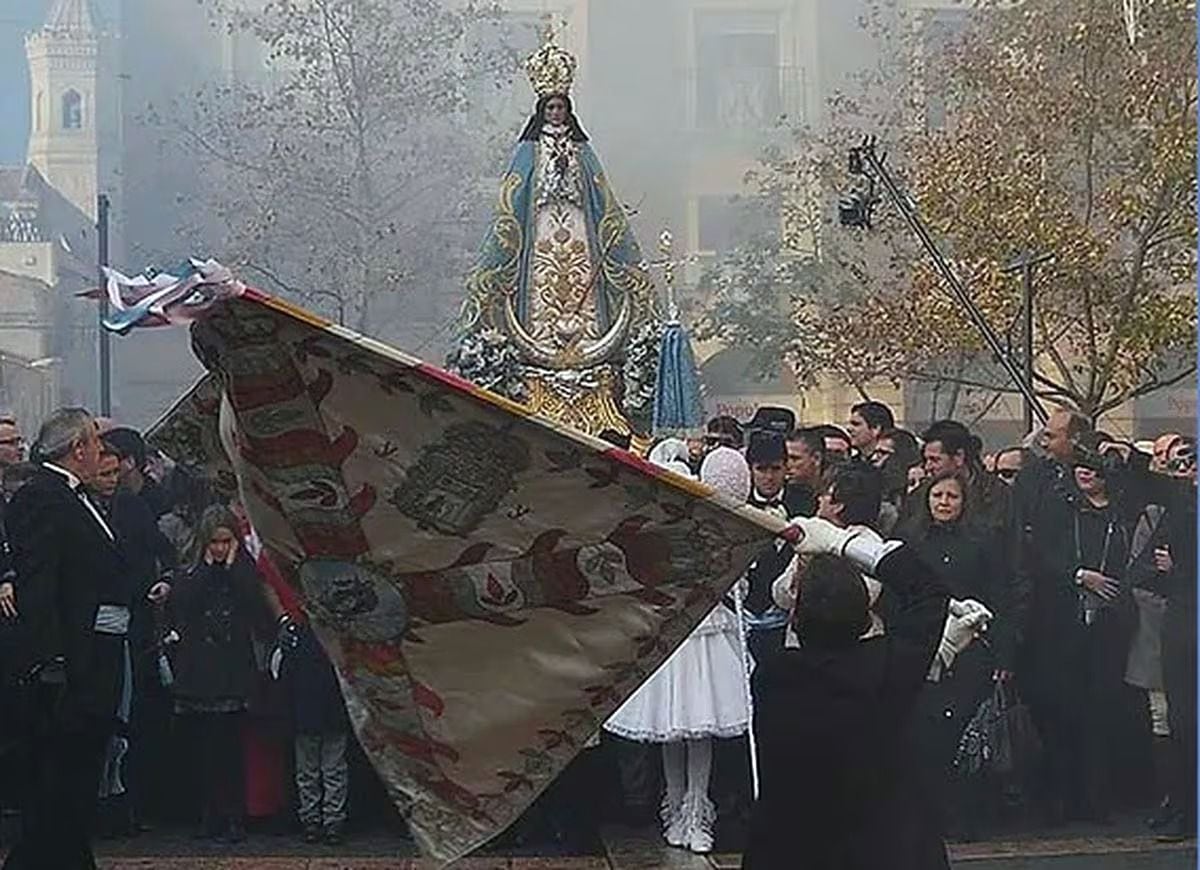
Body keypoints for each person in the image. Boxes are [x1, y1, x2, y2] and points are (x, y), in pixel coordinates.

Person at [741, 516, 950, 870]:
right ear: (865, 616)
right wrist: (843, 542)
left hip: (793, 848)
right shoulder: (885, 667)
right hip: (883, 847)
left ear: (796, 619)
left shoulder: (772, 676)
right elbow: (929, 590)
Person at [605, 446, 752, 854]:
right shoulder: (654, 530)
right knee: (670, 725)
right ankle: (673, 805)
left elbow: (736, 585)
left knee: (701, 724)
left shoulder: (712, 525)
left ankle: (697, 811)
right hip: (670, 631)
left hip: (706, 631)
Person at [1, 408, 128, 870]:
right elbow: (41, 586)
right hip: (72, 672)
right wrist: (51, 661)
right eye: (95, 442)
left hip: (94, 663)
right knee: (59, 792)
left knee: (73, 794)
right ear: (77, 449)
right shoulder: (43, 497)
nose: (101, 451)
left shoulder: (74, 498)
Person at [1023, 443, 1138, 824]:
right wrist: (1077, 574)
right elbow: (1038, 552)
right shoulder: (1058, 506)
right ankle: (1063, 797)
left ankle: (1098, 798)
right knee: (1062, 712)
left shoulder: (1123, 513)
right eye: (1080, 467)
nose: (1085, 474)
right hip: (1062, 621)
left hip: (1108, 624)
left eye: (1093, 468)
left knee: (1101, 711)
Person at [897, 470, 1007, 840]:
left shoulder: (984, 540)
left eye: (952, 497)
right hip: (921, 649)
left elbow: (1000, 591)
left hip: (972, 648)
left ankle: (963, 816)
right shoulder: (909, 539)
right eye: (938, 495)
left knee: (963, 735)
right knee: (922, 734)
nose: (944, 503)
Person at [170, 505, 265, 844]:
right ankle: (209, 814)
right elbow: (184, 603)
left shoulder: (243, 569)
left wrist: (235, 565)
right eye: (215, 542)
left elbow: (255, 603)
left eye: (226, 542)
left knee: (232, 749)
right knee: (204, 749)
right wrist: (209, 569)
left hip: (232, 666)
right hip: (200, 667)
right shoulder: (191, 570)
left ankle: (234, 816)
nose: (220, 549)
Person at [277, 620, 351, 845]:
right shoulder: (339, 631)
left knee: (313, 770)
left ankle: (318, 820)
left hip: (310, 708)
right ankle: (329, 820)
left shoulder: (296, 632)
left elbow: (284, 673)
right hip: (328, 708)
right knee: (330, 770)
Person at [783, 428, 824, 517]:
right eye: (785, 458)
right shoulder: (781, 494)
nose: (787, 464)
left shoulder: (834, 492)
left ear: (817, 458)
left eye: (795, 459)